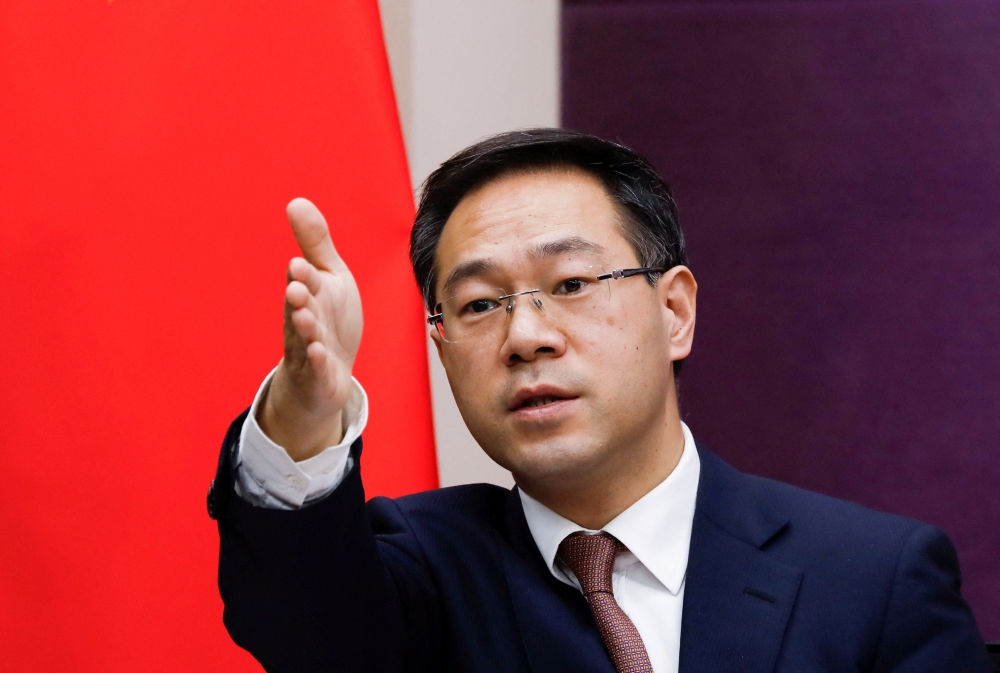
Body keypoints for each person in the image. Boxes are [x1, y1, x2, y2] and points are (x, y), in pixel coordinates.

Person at [209, 129, 989, 672]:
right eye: (479, 304)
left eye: (572, 284)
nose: (525, 335)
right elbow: (306, 622)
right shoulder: (424, 569)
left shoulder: (872, 579)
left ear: (675, 310)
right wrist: (307, 410)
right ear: (441, 341)